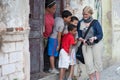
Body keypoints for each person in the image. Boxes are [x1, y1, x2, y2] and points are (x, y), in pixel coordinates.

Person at [77, 6, 103, 80]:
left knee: (97, 62)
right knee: (88, 64)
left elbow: (100, 34)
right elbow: (78, 35)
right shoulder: (80, 23)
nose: (84, 16)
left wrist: (94, 38)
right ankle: (92, 79)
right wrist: (82, 40)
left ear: (91, 14)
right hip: (86, 45)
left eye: (86, 14)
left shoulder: (95, 22)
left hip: (96, 44)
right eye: (83, 14)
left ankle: (97, 79)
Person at [43, 0, 56, 71]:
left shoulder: (51, 15)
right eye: (53, 8)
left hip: (49, 37)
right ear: (48, 8)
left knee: (47, 53)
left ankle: (47, 68)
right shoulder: (42, 16)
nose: (55, 10)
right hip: (43, 37)